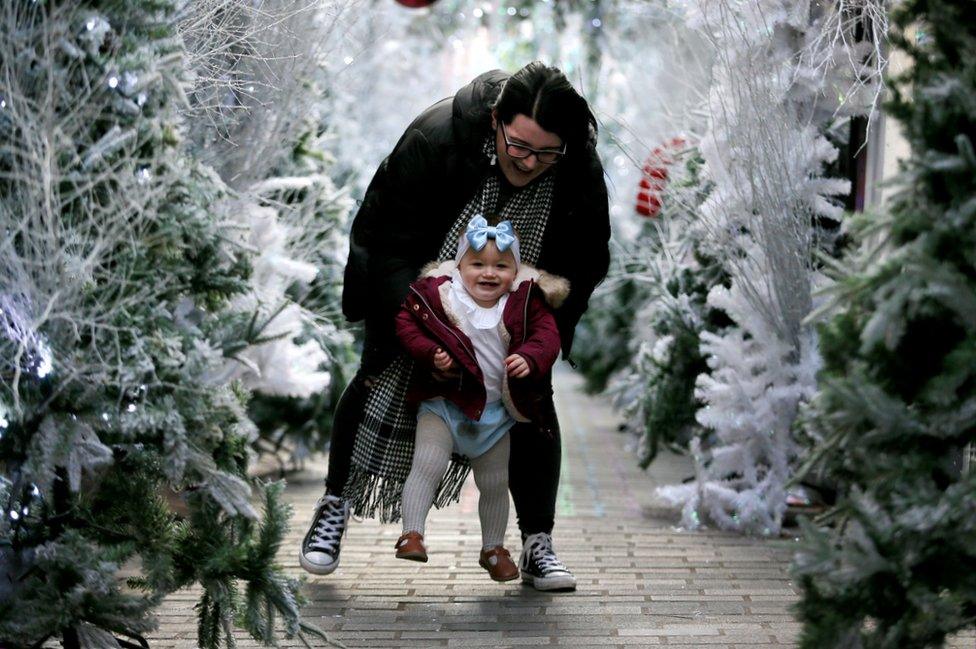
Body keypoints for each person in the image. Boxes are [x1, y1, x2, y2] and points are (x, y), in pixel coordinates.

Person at [299, 61, 610, 592]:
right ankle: (334, 505)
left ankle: (537, 543)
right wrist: (425, 321)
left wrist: (539, 327)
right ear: (496, 121)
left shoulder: (575, 165)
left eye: (545, 152)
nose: (530, 162)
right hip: (420, 289)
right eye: (519, 146)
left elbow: (586, 257)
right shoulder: (437, 138)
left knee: (530, 398)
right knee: (380, 376)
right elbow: (388, 238)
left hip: (520, 298)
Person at [393, 216, 565, 584]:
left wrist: (531, 358)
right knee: (427, 462)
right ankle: (412, 532)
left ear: (515, 270)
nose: (489, 273)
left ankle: (492, 548)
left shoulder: (523, 302)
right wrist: (429, 352)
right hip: (444, 403)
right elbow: (406, 322)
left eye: (501, 266)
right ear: (459, 266)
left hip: (493, 414)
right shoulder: (440, 295)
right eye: (477, 264)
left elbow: (547, 335)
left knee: (494, 482)